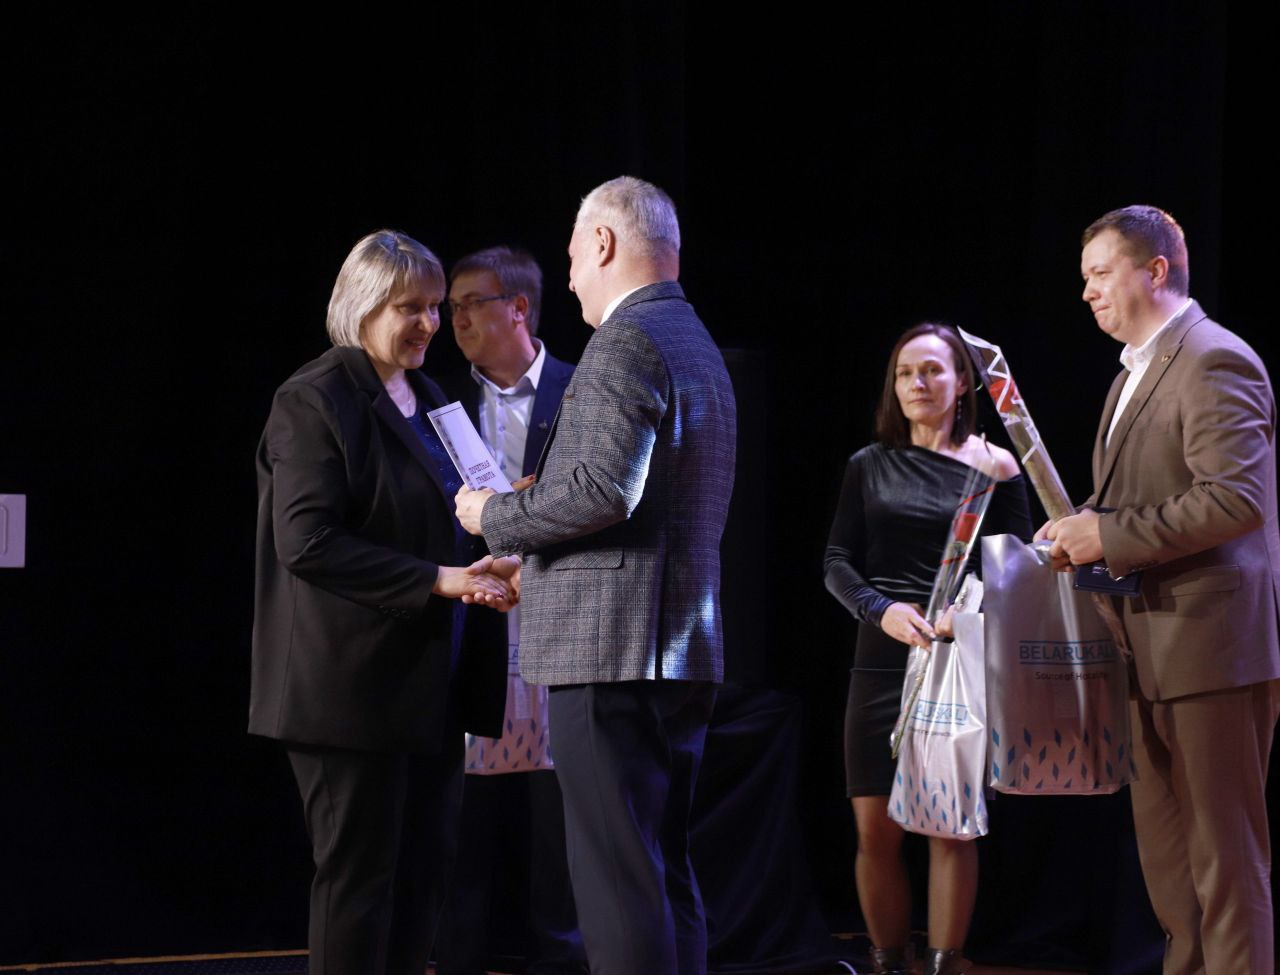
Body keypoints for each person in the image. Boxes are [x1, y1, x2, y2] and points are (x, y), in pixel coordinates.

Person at [454, 176, 737, 975]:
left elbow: (605, 489)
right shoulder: (694, 339)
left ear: (606, 243)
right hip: (675, 647)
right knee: (658, 866)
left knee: (617, 879)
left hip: (610, 650)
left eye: (575, 257)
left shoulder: (625, 338)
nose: (571, 277)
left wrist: (492, 513)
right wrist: (534, 539)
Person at [249, 230, 516, 975]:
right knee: (359, 884)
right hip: (348, 691)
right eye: (411, 308)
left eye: (435, 307)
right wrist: (439, 579)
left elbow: (456, 510)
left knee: (423, 878)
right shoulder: (313, 398)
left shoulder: (432, 396)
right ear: (363, 307)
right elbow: (306, 541)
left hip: (429, 686)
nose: (430, 323)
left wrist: (496, 543)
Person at [1040, 205, 1280, 974]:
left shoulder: (1214, 359)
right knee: (1173, 872)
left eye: (1099, 273)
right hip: (1143, 649)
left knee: (1225, 861)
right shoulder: (1131, 374)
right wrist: (1079, 525)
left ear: (1155, 270)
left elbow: (1235, 498)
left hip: (1210, 650)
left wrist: (1107, 536)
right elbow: (1140, 497)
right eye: (1084, 278)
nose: (1087, 291)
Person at [823, 323, 1031, 975]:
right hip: (880, 658)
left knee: (949, 827)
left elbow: (1017, 573)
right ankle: (887, 962)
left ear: (963, 381)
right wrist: (881, 610)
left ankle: (945, 963)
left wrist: (965, 617)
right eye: (906, 372)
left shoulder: (996, 467)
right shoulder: (867, 464)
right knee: (875, 830)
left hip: (956, 661)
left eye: (934, 370)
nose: (918, 382)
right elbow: (836, 562)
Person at [432, 245, 585, 975]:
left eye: (472, 303)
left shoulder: (582, 391)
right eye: (452, 307)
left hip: (562, 631)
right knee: (463, 835)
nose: (455, 319)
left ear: (519, 307)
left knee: (562, 834)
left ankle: (564, 962)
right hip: (475, 625)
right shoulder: (439, 406)